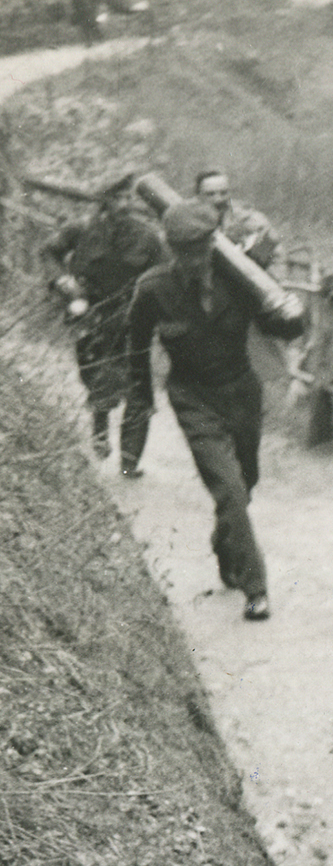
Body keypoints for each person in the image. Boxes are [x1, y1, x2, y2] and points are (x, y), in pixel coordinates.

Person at [125, 198, 306, 621]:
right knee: (229, 489)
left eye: (200, 249)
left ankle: (227, 548)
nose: (192, 260)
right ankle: (255, 588)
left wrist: (291, 317)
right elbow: (135, 345)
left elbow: (278, 326)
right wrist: (141, 399)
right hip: (193, 398)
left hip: (241, 393)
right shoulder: (154, 288)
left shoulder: (239, 279)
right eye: (182, 250)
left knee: (245, 483)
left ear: (213, 244)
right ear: (170, 247)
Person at [41, 178, 167, 467]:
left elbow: (164, 274)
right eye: (118, 198)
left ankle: (129, 461)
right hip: (89, 312)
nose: (124, 205)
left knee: (136, 384)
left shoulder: (147, 236)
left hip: (131, 316)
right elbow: (49, 251)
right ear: (104, 200)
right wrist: (62, 280)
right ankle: (100, 425)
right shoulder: (81, 228)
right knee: (93, 371)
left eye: (128, 199)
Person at [195, 169, 280, 270]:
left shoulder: (250, 221)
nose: (218, 199)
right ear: (198, 195)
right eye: (210, 194)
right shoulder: (187, 220)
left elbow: (276, 257)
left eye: (223, 193)